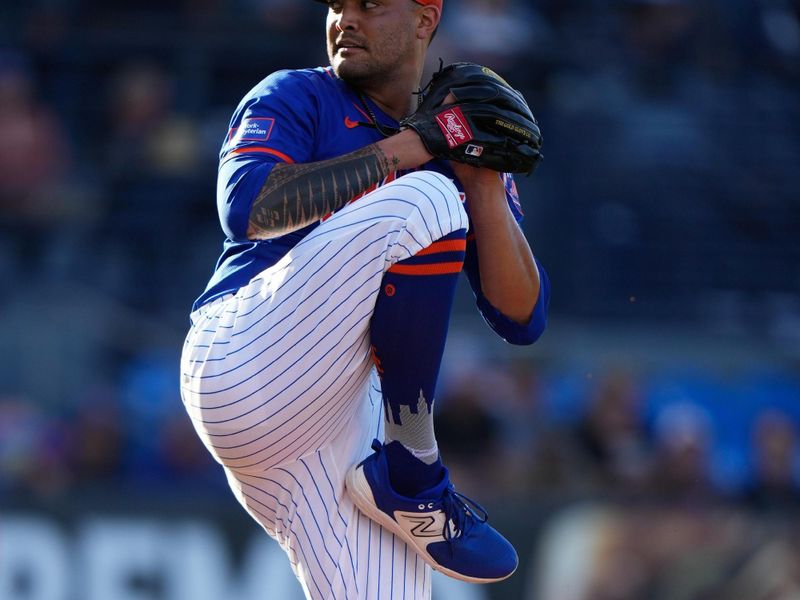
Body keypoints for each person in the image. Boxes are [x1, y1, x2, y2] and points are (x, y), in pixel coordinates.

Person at [179, 0, 550, 597]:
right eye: (336, 5)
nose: (345, 19)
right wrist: (416, 148)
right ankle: (412, 469)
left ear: (426, 18)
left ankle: (401, 472)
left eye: (370, 6)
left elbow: (523, 318)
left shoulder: (451, 135)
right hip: (246, 357)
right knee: (425, 199)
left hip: (339, 422)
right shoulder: (296, 95)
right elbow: (247, 210)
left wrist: (481, 183)